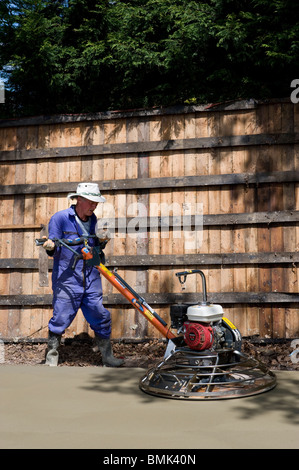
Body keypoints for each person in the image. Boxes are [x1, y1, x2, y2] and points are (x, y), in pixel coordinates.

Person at [42, 182, 124, 367]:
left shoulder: (93, 220)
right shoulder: (60, 218)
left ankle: (107, 357)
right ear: (79, 199)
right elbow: (53, 247)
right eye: (91, 201)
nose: (94, 205)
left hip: (91, 277)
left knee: (99, 314)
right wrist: (50, 248)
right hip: (67, 278)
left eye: (96, 202)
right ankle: (52, 355)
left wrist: (100, 244)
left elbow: (93, 248)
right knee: (61, 317)